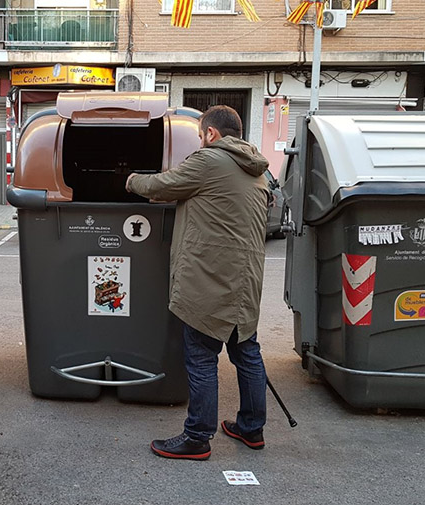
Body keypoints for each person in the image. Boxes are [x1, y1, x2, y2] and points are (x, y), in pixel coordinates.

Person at [125, 105, 270, 461]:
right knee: (246, 352)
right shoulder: (255, 170)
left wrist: (127, 179)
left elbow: (161, 186)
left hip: (212, 279)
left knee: (202, 355)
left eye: (200, 135)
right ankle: (252, 429)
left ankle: (197, 438)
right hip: (245, 279)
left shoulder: (210, 161)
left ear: (211, 134)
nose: (200, 141)